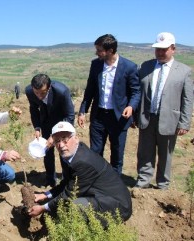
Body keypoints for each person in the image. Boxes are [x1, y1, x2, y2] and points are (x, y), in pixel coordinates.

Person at [28, 121, 132, 223]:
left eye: (65, 139)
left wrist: (43, 208)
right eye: (57, 141)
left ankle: (88, 235)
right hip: (103, 196)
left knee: (75, 206)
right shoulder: (75, 152)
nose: (61, 145)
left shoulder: (82, 162)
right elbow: (67, 183)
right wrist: (46, 195)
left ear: (76, 139)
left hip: (118, 207)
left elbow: (68, 194)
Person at [135, 32, 194, 190]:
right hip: (147, 117)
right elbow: (138, 93)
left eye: (164, 49)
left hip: (170, 119)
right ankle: (143, 181)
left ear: (173, 49)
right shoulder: (145, 67)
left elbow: (188, 99)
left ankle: (163, 184)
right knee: (144, 152)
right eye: (157, 49)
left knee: (165, 154)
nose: (160, 53)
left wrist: (184, 122)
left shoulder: (184, 71)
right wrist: (135, 115)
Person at [77, 34, 141, 176]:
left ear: (110, 50)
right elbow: (90, 90)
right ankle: (96, 181)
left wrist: (131, 106)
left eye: (100, 50)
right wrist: (82, 111)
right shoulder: (96, 65)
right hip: (98, 116)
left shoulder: (129, 67)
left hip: (118, 117)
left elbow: (136, 92)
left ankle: (114, 184)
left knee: (117, 153)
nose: (97, 53)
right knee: (95, 151)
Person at [25, 73, 75, 187]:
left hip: (62, 122)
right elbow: (34, 109)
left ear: (49, 87)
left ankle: (67, 180)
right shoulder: (29, 91)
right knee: (47, 150)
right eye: (36, 93)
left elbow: (70, 115)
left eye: (43, 92)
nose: (39, 96)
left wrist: (56, 135)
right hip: (46, 122)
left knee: (64, 150)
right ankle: (50, 179)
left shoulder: (62, 91)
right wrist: (37, 127)